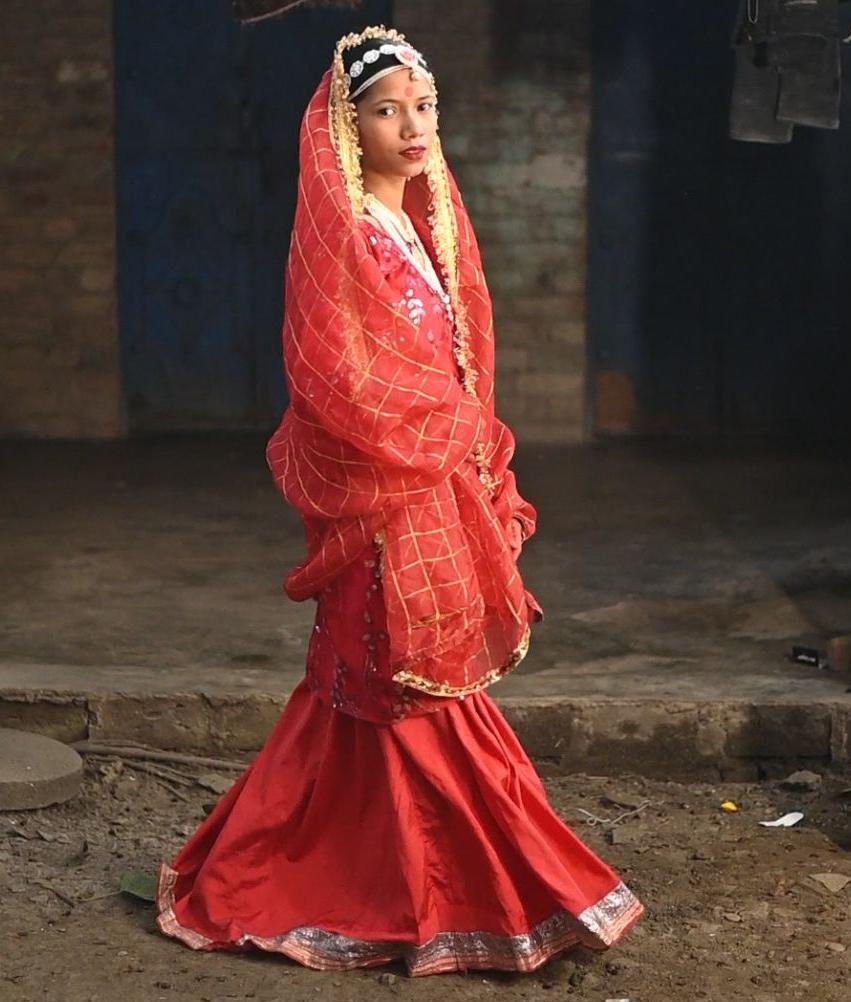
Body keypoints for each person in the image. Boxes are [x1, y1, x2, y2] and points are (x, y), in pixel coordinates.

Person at [155, 25, 644, 977]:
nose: (412, 126)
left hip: (435, 486)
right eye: (387, 110)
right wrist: (439, 436)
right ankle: (486, 895)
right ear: (348, 129)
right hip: (385, 503)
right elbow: (336, 377)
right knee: (405, 691)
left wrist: (465, 450)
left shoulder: (425, 231)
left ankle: (324, 879)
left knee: (360, 699)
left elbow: (457, 365)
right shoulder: (347, 243)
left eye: (424, 107)